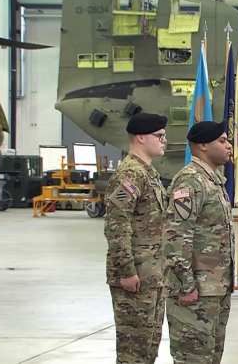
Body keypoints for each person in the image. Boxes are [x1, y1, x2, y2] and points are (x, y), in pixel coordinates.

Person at [163, 120, 235, 364]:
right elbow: (175, 235)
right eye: (222, 141)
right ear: (203, 145)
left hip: (214, 289)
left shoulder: (211, 180)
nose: (229, 146)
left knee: (211, 357)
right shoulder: (190, 181)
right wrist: (186, 285)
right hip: (196, 292)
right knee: (192, 359)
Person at [103, 112, 169, 364]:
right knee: (133, 351)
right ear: (141, 138)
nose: (164, 140)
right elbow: (116, 225)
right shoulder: (130, 174)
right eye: (159, 136)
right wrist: (126, 270)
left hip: (152, 274)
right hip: (136, 276)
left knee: (148, 346)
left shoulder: (147, 173)